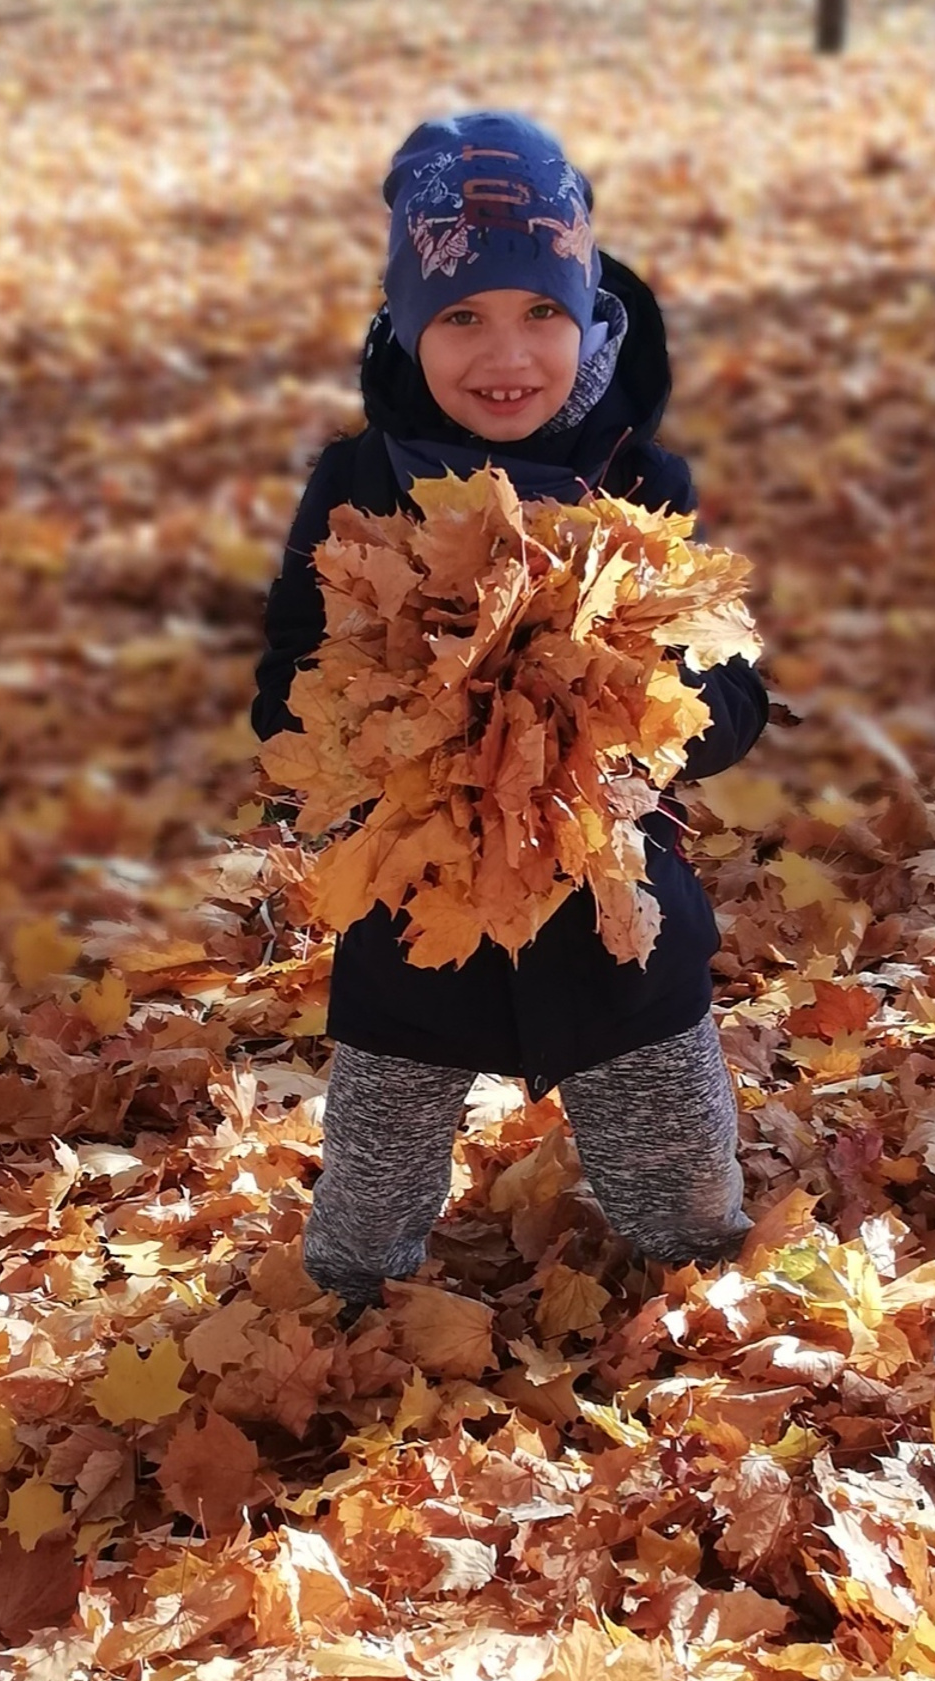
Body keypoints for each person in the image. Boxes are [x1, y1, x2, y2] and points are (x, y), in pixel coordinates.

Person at [253, 111, 769, 1316]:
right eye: (463, 316)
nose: (508, 352)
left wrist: (642, 706)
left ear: (590, 311)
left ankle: (696, 1315)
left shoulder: (646, 478)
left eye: (542, 310)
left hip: (613, 906)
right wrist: (372, 707)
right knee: (367, 1203)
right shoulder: (356, 484)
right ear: (408, 326)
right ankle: (338, 1334)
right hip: (414, 899)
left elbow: (733, 683)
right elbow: (286, 686)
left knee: (685, 1185)